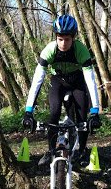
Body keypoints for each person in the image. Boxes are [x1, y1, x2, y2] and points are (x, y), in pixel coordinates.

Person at [23, 14, 102, 165]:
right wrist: (28, 111)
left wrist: (95, 111)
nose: (63, 43)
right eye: (60, 39)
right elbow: (37, 81)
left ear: (73, 38)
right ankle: (51, 150)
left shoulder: (81, 51)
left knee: (82, 117)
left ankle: (82, 150)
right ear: (56, 37)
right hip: (58, 82)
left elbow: (91, 81)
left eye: (67, 39)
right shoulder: (49, 51)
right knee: (53, 114)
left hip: (78, 83)